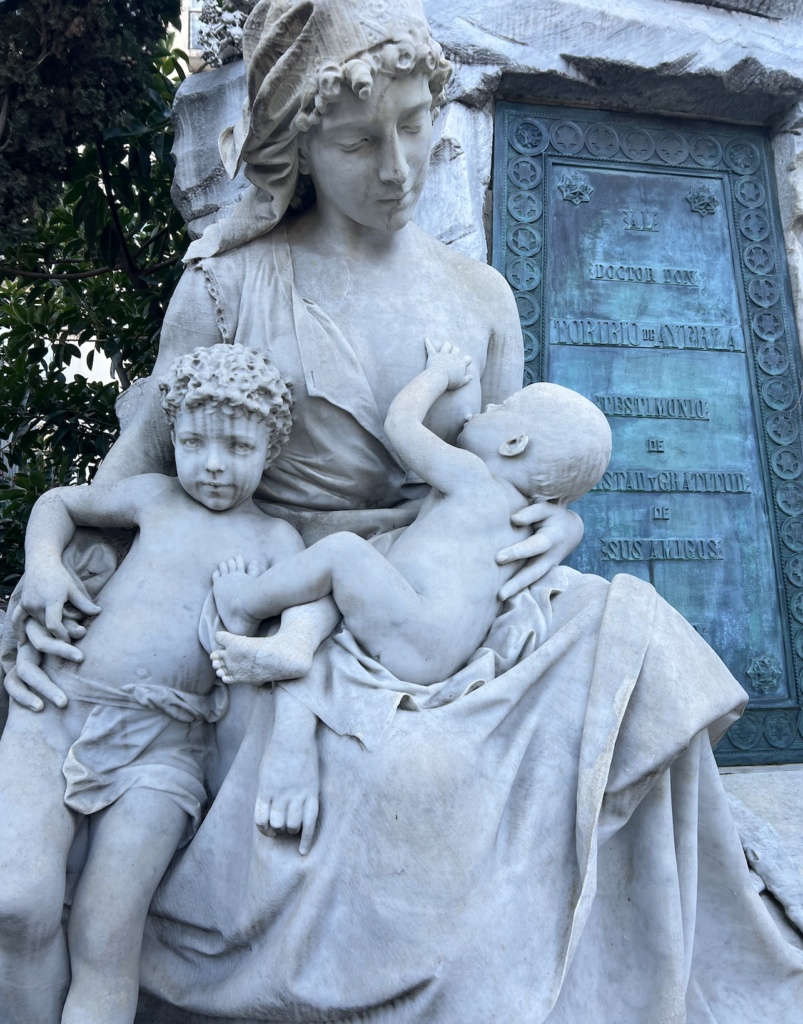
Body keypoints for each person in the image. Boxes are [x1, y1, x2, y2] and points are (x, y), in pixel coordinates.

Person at [0, 344, 332, 1024]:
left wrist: (280, 639)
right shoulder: (152, 496)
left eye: (238, 447)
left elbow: (314, 603)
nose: (212, 464)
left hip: (165, 750)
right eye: (193, 442)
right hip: (58, 709)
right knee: (15, 902)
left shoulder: (275, 539)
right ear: (173, 437)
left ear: (271, 449)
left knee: (105, 934)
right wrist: (44, 567)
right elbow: (59, 503)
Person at [211, 342, 611, 687]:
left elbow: (400, 423)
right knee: (367, 563)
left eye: (502, 408)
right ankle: (294, 643)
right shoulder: (524, 519)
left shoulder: (473, 476)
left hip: (416, 631)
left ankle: (243, 606)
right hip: (444, 655)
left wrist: (440, 373)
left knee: (344, 552)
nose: (489, 404)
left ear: (514, 443)